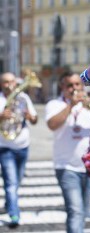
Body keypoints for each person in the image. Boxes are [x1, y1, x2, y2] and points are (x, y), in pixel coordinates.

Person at [45, 71, 90, 233]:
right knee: (75, 210)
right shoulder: (55, 104)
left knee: (83, 210)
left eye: (77, 84)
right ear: (62, 87)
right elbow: (52, 125)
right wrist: (71, 105)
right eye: (69, 85)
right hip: (66, 166)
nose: (74, 88)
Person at [0, 72, 38, 228]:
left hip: (22, 146)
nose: (9, 85)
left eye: (12, 82)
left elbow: (35, 120)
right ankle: (14, 213)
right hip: (5, 147)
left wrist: (30, 117)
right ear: (1, 84)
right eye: (6, 82)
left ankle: (9, 202)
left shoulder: (23, 98)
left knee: (17, 181)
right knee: (11, 182)